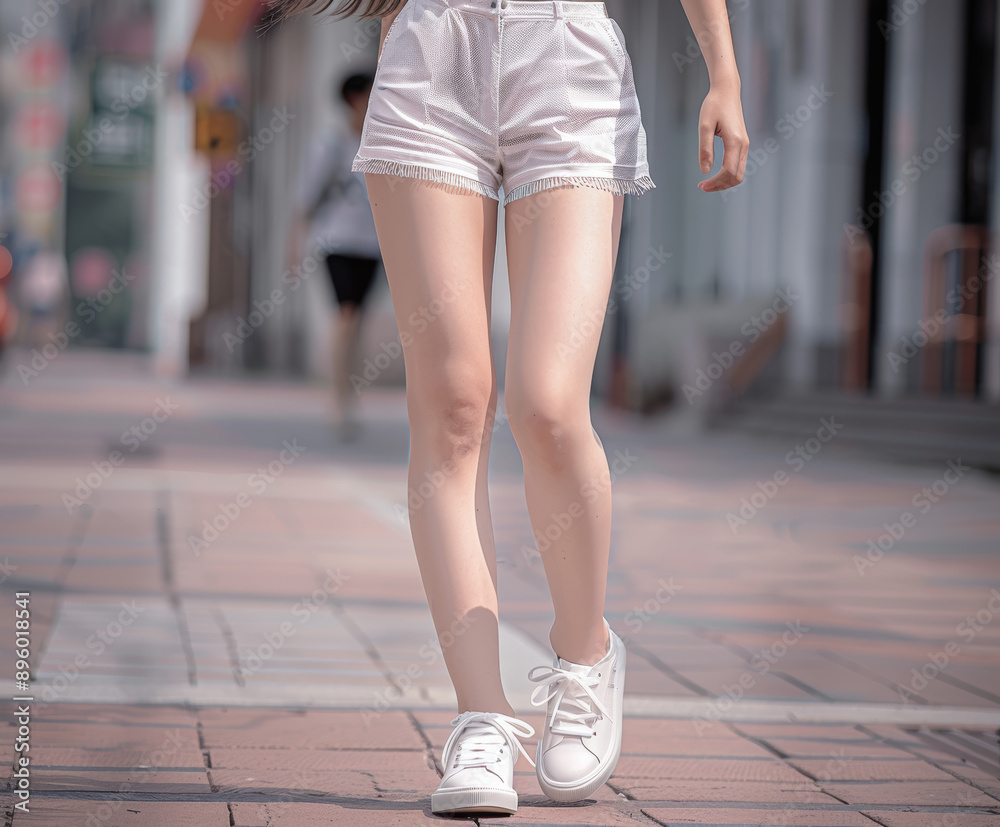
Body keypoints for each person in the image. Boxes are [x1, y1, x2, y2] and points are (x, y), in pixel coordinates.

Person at [273, 0, 748, 815]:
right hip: (430, 60)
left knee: (547, 403)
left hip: (567, 63)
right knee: (454, 404)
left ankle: (586, 654)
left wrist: (726, 74)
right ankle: (482, 716)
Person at [289, 72, 383, 440]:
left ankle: (351, 393)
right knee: (345, 317)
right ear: (353, 100)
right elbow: (304, 201)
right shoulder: (329, 146)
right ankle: (339, 399)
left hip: (373, 244)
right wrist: (292, 249)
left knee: (358, 322)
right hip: (337, 242)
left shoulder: (383, 143)